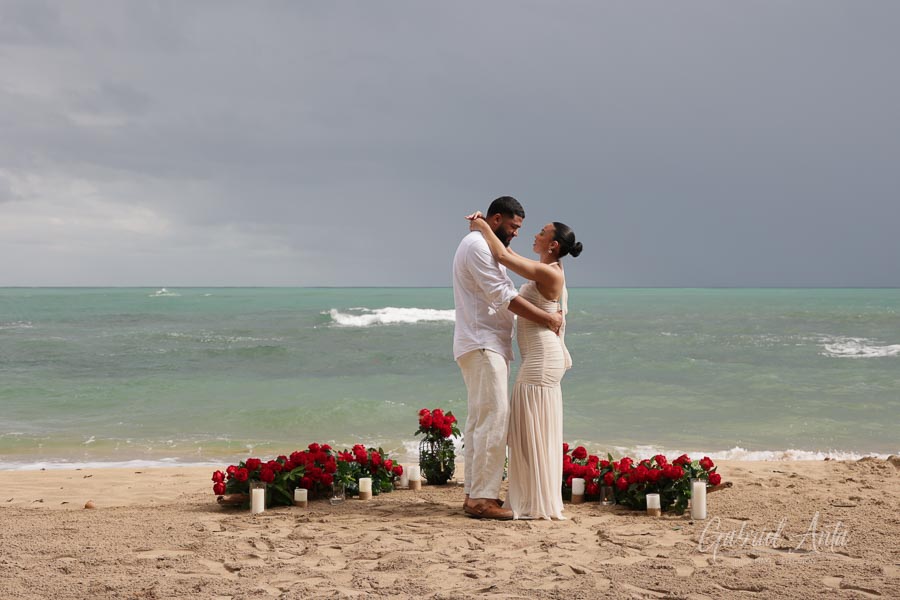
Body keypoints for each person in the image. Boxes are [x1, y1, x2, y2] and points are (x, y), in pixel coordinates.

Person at [453, 196, 563, 520]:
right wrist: (547, 319)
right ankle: (482, 498)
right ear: (497, 219)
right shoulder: (478, 246)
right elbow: (503, 296)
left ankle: (474, 494)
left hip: (484, 343)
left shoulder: (486, 243)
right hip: (483, 343)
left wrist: (483, 228)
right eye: (513, 226)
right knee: (495, 418)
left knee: (481, 420)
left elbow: (505, 262)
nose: (516, 233)